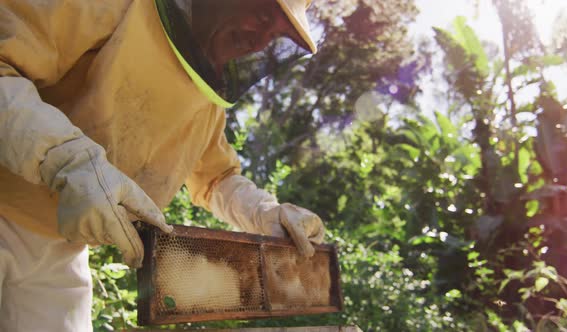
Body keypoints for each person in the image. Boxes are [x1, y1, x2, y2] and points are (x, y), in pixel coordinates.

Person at [0, 0, 325, 330]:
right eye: (263, 15)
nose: (260, 41)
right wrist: (65, 160)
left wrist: (266, 213)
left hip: (61, 253)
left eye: (275, 34)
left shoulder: (207, 103)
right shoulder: (112, 7)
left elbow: (217, 178)